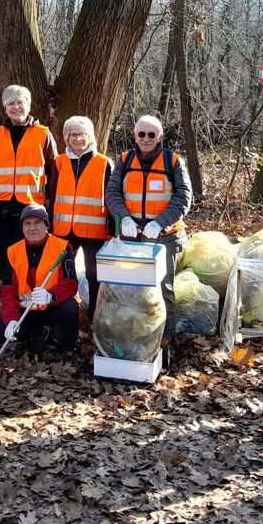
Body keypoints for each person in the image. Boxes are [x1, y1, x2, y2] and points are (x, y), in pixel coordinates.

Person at [105, 115, 192, 369]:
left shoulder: (173, 161)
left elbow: (183, 198)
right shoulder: (123, 161)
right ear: (135, 136)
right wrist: (124, 218)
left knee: (163, 290)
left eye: (151, 135)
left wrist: (160, 222)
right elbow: (112, 193)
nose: (145, 139)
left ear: (161, 137)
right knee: (130, 291)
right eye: (141, 134)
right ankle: (133, 339)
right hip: (131, 237)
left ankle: (166, 341)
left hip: (163, 237)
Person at [0, 204, 79, 361]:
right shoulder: (13, 251)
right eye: (27, 223)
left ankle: (67, 347)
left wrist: (51, 295)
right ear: (22, 227)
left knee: (70, 308)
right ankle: (39, 334)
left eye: (37, 222)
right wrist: (11, 318)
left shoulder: (62, 247)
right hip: (27, 309)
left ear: (46, 225)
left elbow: (71, 283)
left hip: (54, 306)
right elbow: (8, 290)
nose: (32, 228)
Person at [0, 85, 58, 280]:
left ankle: (30, 292)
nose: (16, 107)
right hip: (2, 205)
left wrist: (51, 202)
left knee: (32, 253)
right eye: (11, 103)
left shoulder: (43, 134)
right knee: (5, 252)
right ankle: (9, 293)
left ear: (28, 105)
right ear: (4, 108)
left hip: (32, 205)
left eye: (20, 102)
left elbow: (54, 170)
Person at [48, 116, 112, 319]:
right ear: (66, 138)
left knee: (95, 275)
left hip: (95, 231)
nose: (76, 139)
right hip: (63, 230)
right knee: (64, 273)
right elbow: (51, 194)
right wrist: (49, 223)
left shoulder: (104, 163)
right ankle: (66, 312)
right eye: (72, 134)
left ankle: (95, 314)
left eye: (81, 134)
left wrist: (113, 229)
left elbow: (111, 197)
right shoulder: (58, 162)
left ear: (90, 136)